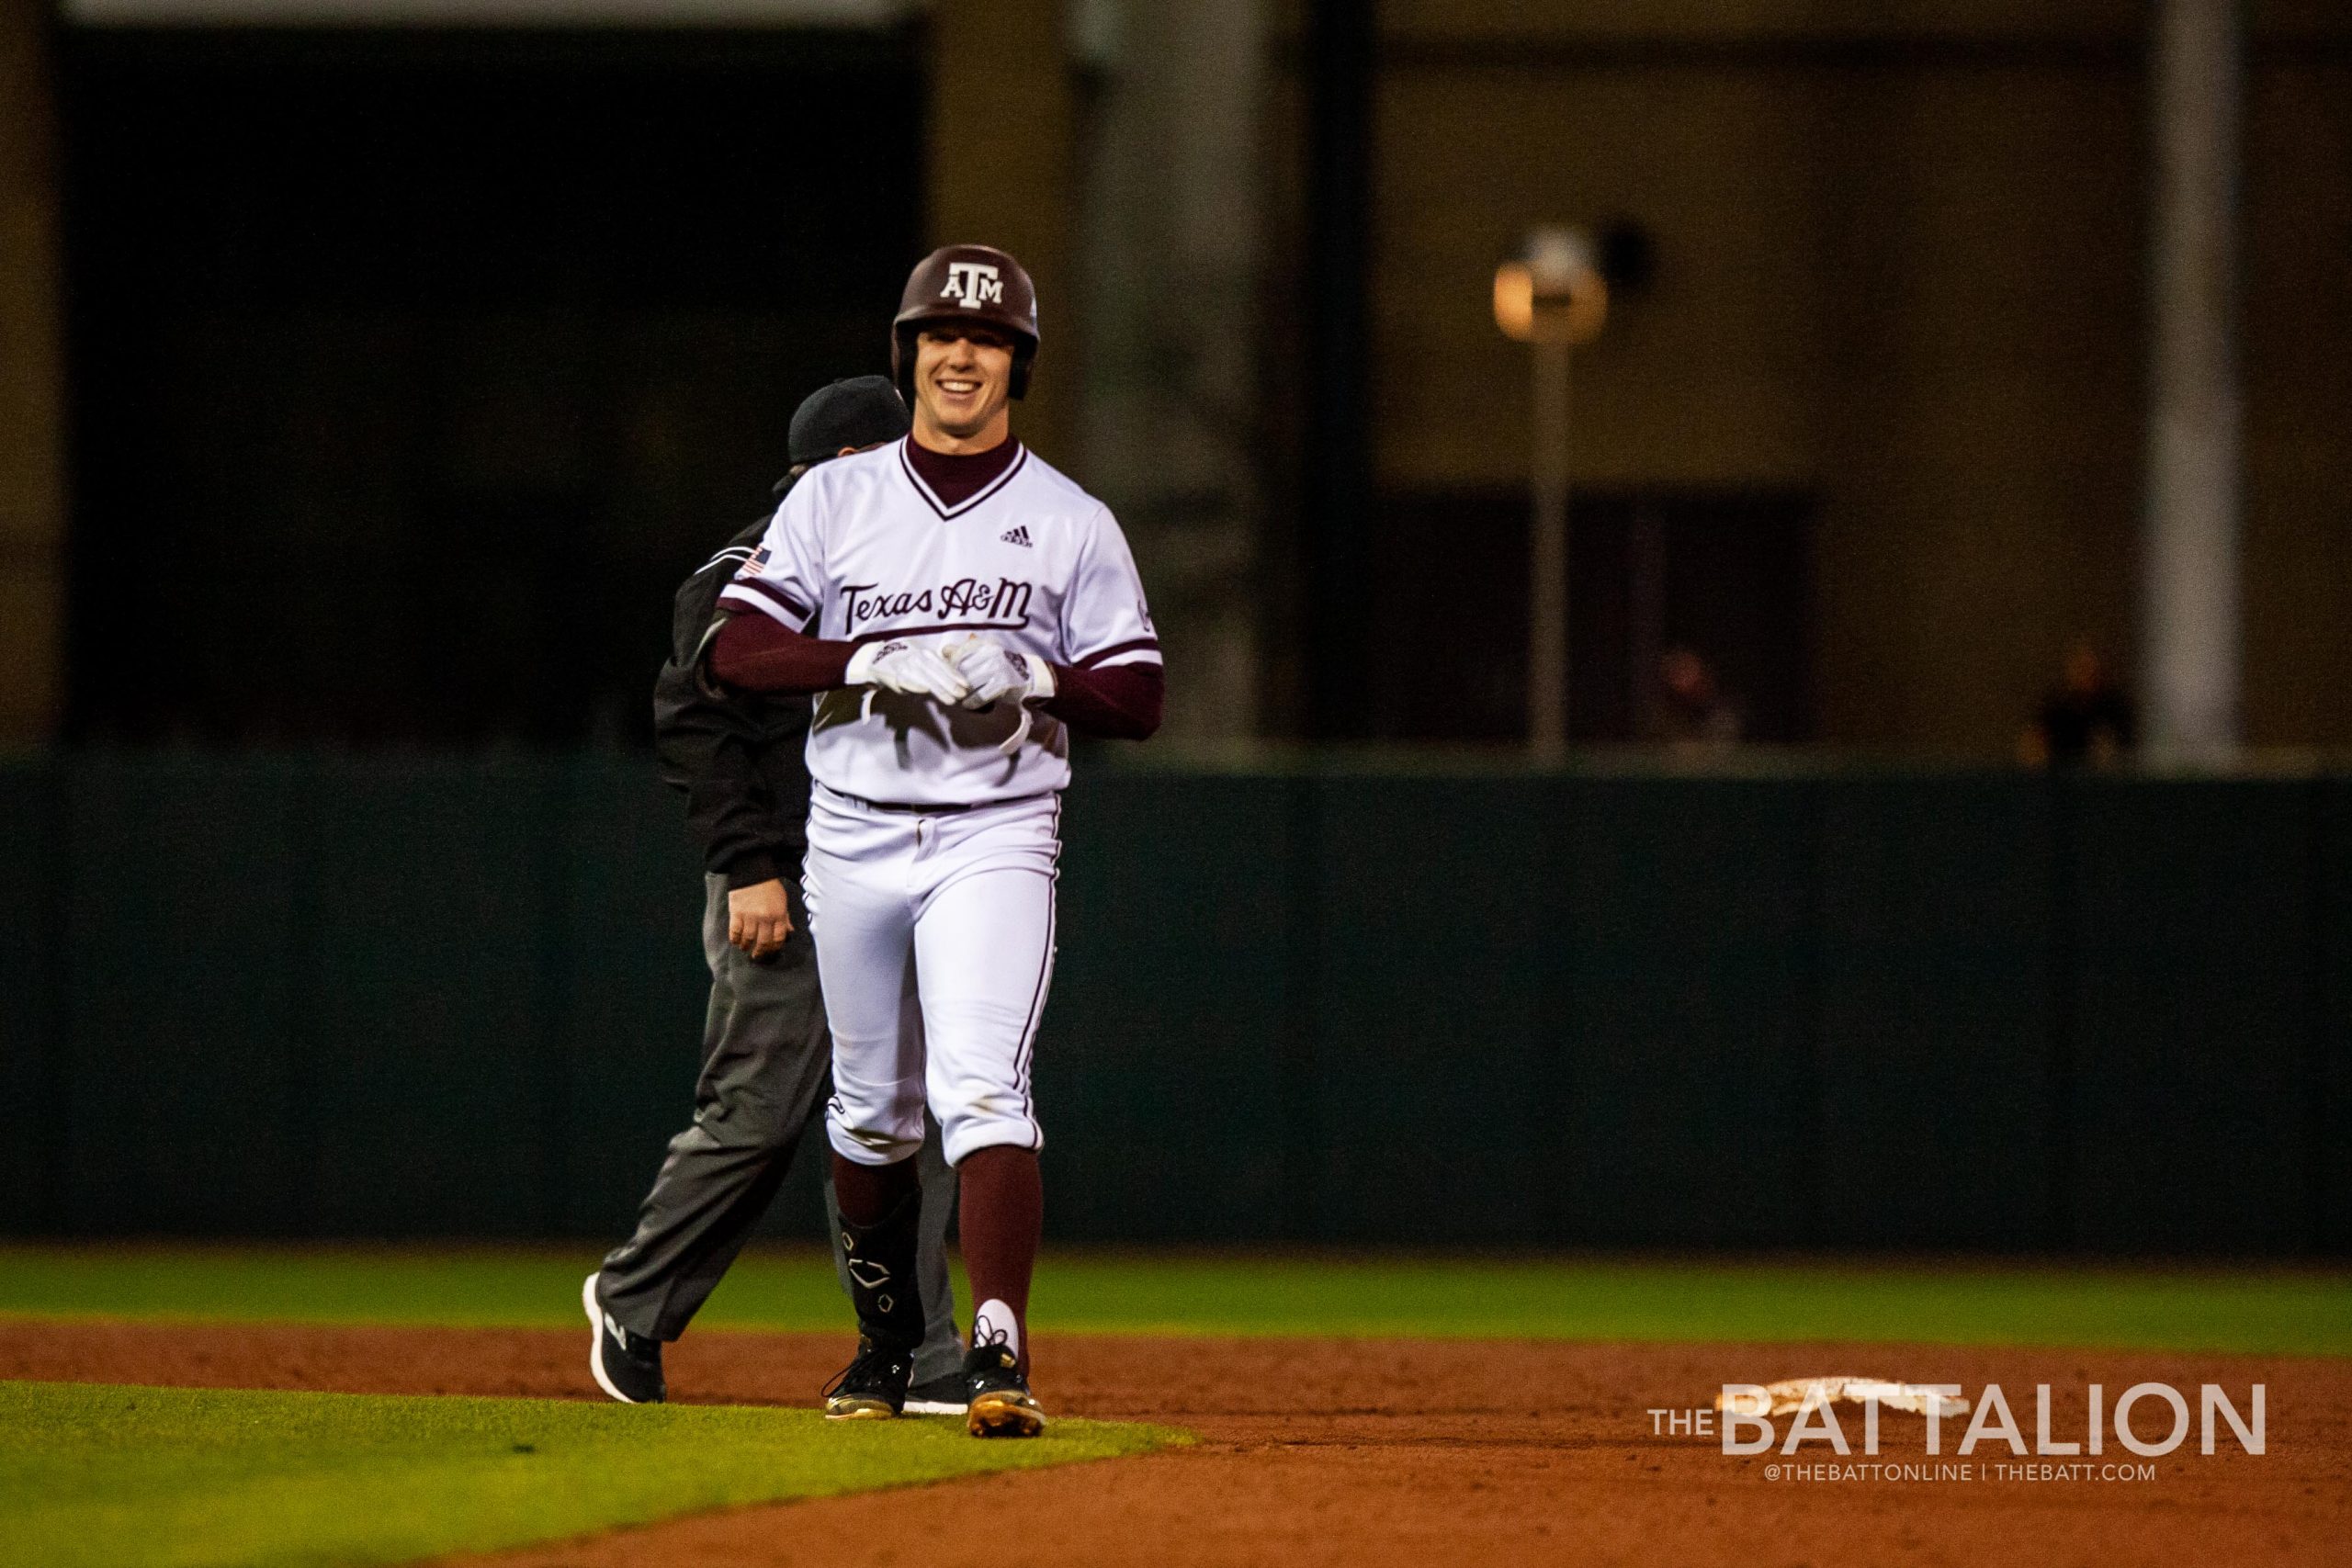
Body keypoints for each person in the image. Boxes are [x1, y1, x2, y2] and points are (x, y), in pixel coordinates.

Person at [707, 243, 1163, 1438]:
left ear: (1018, 361)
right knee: (870, 1112)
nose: (963, 356)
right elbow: (737, 651)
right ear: (911, 353)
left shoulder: (1068, 517)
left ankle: (1000, 1342)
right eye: (941, 337)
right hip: (853, 834)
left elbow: (1138, 692)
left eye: (990, 339)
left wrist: (1036, 672)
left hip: (995, 831)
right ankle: (887, 1344)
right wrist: (868, 655)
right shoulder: (835, 498)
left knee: (984, 1089)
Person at [583, 376, 967, 1413]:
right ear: (850, 464)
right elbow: (694, 719)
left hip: (889, 874)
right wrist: (747, 865)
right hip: (786, 880)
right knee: (758, 1116)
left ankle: (926, 1356)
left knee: (906, 1121)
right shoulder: (749, 567)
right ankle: (634, 1296)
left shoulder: (904, 568)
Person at [2020, 641, 2136, 768]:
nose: (2085, 675)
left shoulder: (2114, 707)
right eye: (2080, 668)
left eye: (2089, 669)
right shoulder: (2056, 707)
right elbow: (2034, 743)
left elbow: (2126, 748)